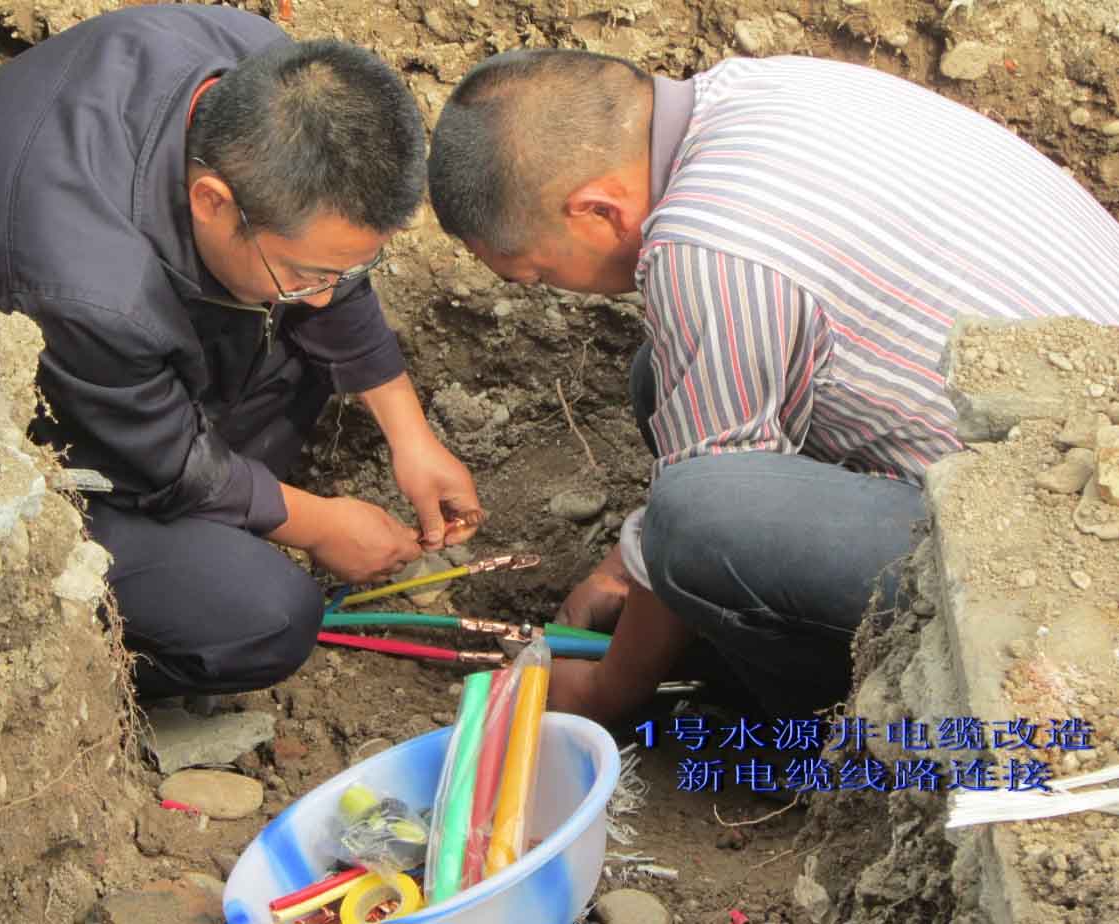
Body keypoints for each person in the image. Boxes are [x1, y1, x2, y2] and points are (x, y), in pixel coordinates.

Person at [427, 49, 1119, 723]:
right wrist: (627, 566)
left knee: (698, 521)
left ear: (599, 211)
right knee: (662, 382)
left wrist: (606, 690)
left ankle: (830, 726)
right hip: (1070, 440)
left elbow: (703, 511)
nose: (558, 291)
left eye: (540, 273)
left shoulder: (706, 248)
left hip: (1073, 553)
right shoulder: (755, 90)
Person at [0, 4, 482, 700]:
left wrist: (411, 436)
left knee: (299, 332)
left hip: (97, 337)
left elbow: (325, 266)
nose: (323, 296)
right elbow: (166, 462)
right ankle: (76, 679)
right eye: (307, 273)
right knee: (266, 617)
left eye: (340, 272)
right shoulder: (84, 292)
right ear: (212, 200)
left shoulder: (262, 71)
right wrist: (321, 527)